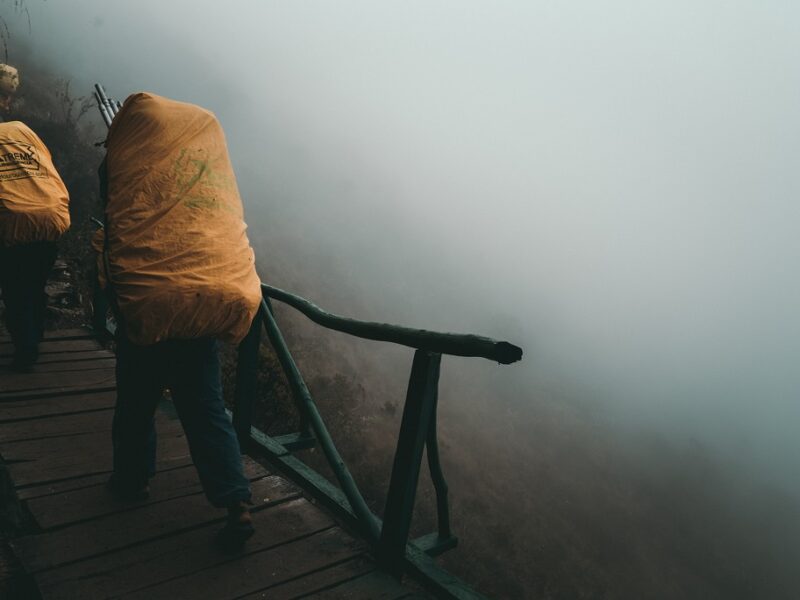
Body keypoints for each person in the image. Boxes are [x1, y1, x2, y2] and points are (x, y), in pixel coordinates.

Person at [98, 92, 262, 551]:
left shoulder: (127, 162)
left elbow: (117, 222)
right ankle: (237, 502)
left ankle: (132, 480)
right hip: (207, 297)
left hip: (153, 299)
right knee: (206, 407)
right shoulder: (200, 170)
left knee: (135, 399)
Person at [0, 120, 70, 371]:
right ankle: (35, 332)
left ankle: (26, 351)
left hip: (13, 220)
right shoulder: (23, 130)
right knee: (34, 284)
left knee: (15, 291)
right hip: (49, 215)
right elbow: (46, 160)